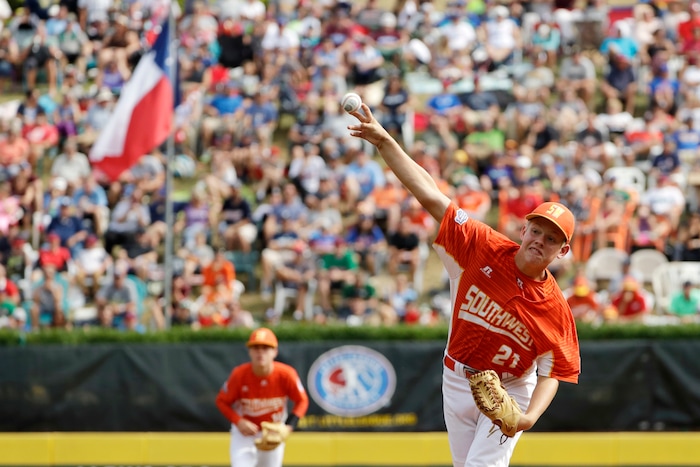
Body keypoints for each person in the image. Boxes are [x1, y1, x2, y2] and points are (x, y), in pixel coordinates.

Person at [347, 104, 580, 467]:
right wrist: (385, 142)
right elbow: (431, 195)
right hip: (456, 376)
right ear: (524, 229)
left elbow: (554, 371)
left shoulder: (554, 308)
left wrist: (527, 417)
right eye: (536, 230)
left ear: (562, 250)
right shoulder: (482, 247)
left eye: (551, 239)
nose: (540, 241)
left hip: (510, 388)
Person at [215, 327, 309, 467]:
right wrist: (238, 421)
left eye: (265, 347)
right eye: (256, 347)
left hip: (272, 432)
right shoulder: (239, 374)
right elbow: (221, 401)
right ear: (249, 351)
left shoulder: (286, 374)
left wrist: (288, 427)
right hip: (244, 433)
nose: (260, 352)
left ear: (275, 351)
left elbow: (302, 401)